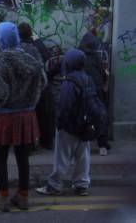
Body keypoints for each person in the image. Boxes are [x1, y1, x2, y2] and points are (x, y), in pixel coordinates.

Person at [0, 22, 44, 212]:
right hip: (26, 115)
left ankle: (3, 197)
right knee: (22, 157)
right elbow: (42, 83)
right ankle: (23, 196)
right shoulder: (31, 57)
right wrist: (30, 103)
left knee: (0, 157)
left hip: (6, 116)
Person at [36, 48, 94, 197]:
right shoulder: (87, 78)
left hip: (69, 125)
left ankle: (55, 185)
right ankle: (82, 184)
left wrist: (59, 123)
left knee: (62, 156)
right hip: (85, 124)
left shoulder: (69, 81)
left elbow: (64, 105)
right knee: (83, 156)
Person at [18, 22, 51, 149]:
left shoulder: (18, 48)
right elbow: (47, 57)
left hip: (24, 89)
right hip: (38, 87)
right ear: (30, 34)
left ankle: (29, 144)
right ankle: (46, 142)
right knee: (42, 114)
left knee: (27, 117)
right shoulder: (35, 47)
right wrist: (38, 41)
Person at [78, 32, 110, 156]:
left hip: (83, 91)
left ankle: (82, 144)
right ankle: (103, 145)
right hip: (97, 91)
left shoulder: (79, 57)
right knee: (100, 116)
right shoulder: (99, 56)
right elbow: (104, 74)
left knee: (82, 117)